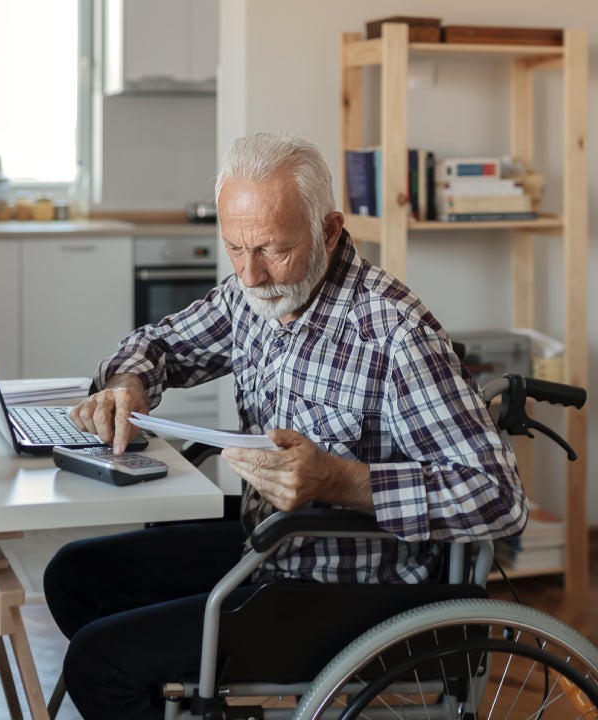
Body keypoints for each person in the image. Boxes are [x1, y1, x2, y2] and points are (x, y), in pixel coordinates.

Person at [44, 132, 527, 719]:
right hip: (267, 547)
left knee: (103, 663)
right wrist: (128, 384)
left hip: (352, 588)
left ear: (327, 231)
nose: (249, 276)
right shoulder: (254, 295)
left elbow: (500, 497)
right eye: (234, 249)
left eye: (273, 250)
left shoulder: (394, 333)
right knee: (74, 575)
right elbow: (160, 342)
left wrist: (341, 481)